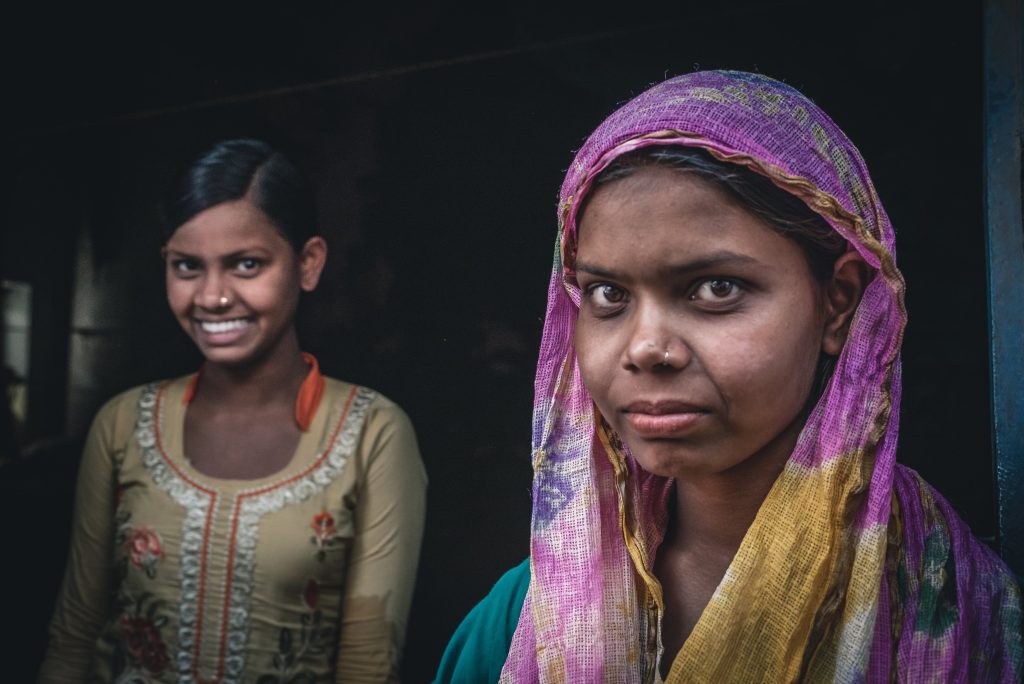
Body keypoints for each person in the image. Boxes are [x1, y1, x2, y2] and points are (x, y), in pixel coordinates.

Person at [434, 71, 1022, 682]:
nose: (646, 348)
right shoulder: (526, 617)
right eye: (607, 293)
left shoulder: (964, 617)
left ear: (838, 303)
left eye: (716, 288)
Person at [39, 139, 427, 683]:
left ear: (308, 263)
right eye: (188, 266)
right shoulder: (124, 423)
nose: (213, 296)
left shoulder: (373, 434)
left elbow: (367, 663)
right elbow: (74, 636)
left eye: (247, 264)